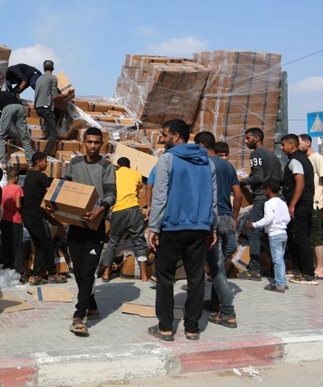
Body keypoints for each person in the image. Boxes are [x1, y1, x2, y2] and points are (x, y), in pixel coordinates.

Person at [147, 119, 216, 342]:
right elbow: (212, 198)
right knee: (196, 278)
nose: (162, 139)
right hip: (199, 228)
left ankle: (166, 327)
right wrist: (211, 226)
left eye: (164, 135)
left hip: (172, 227)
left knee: (165, 277)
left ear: (176, 137)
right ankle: (192, 328)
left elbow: (160, 196)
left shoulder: (167, 160)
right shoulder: (208, 162)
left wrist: (153, 227)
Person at [63, 127, 116, 337]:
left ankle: (79, 315)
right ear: (83, 142)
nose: (93, 146)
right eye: (90, 142)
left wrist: (99, 211)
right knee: (77, 269)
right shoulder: (74, 164)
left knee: (88, 271)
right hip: (75, 225)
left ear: (101, 144)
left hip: (95, 226)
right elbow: (66, 188)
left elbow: (112, 193)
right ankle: (92, 305)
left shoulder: (107, 166)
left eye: (97, 142)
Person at [195, 132, 241, 328]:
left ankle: (228, 313)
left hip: (211, 220)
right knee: (218, 265)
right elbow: (238, 195)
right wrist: (234, 217)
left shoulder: (202, 165)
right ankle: (214, 303)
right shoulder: (227, 165)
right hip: (226, 219)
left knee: (217, 269)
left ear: (201, 145)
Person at [239, 127, 283, 281]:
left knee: (253, 231)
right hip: (275, 198)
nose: (246, 141)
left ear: (257, 139)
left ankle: (255, 270)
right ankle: (272, 267)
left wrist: (242, 182)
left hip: (261, 197)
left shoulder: (256, 154)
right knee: (271, 232)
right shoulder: (273, 155)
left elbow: (258, 177)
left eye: (248, 138)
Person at [279, 134, 317, 285]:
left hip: (300, 205)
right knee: (295, 238)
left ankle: (308, 274)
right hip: (303, 203)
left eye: (283, 145)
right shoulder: (302, 158)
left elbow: (299, 184)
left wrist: (292, 205)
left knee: (301, 239)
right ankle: (298, 270)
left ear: (291, 145)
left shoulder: (295, 160)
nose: (281, 148)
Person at [99, 157, 144, 283]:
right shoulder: (136, 174)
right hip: (134, 210)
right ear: (129, 166)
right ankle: (144, 275)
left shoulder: (113, 175)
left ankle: (106, 273)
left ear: (117, 166)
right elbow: (137, 191)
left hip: (118, 210)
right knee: (139, 241)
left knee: (113, 242)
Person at [23, 152, 64, 285]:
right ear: (39, 162)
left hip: (28, 216)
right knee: (47, 244)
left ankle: (36, 275)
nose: (47, 164)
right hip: (36, 217)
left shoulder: (29, 176)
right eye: (45, 161)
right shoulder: (41, 176)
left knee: (40, 245)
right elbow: (51, 193)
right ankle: (52, 274)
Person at [247, 180, 290, 292]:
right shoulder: (282, 202)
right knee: (280, 259)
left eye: (264, 190)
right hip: (283, 233)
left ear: (268, 191)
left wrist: (254, 225)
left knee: (277, 260)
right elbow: (288, 218)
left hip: (274, 234)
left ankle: (279, 285)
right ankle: (282, 281)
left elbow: (268, 219)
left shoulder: (268, 203)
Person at [298, 134, 323, 278]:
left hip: (317, 203)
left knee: (316, 237)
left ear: (307, 142)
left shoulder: (318, 158)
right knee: (315, 236)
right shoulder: (306, 159)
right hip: (310, 202)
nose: (298, 145)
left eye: (299, 143)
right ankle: (322, 266)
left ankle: (320, 269)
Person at [0, 87, 35, 166]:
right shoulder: (4, 93)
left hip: (8, 108)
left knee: (1, 137)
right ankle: (30, 163)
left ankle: (2, 163)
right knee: (24, 137)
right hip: (20, 107)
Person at [33, 60, 63, 156]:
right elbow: (54, 96)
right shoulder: (53, 78)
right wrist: (65, 95)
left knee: (50, 125)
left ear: (43, 68)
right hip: (46, 108)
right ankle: (44, 155)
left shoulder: (39, 78)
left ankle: (44, 139)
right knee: (53, 134)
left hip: (38, 107)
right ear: (53, 68)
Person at [0, 168, 25, 277]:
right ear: (16, 178)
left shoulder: (3, 189)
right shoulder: (18, 188)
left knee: (7, 245)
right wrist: (23, 211)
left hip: (4, 220)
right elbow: (18, 205)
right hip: (16, 220)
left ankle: (7, 266)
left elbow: (0, 206)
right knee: (17, 246)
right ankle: (19, 270)